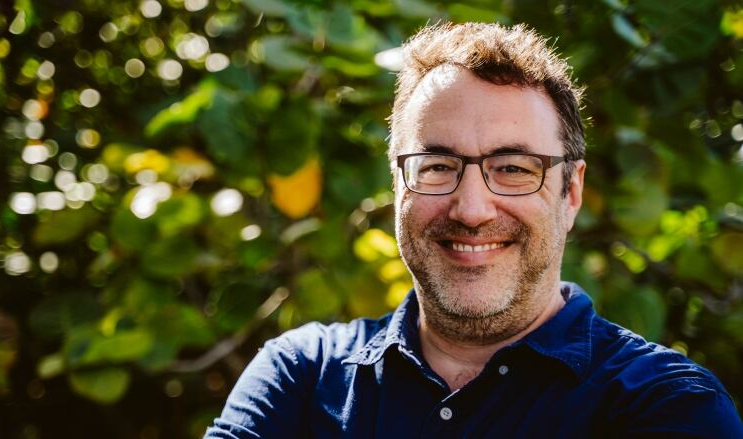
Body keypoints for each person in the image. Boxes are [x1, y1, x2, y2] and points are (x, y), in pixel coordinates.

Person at [205, 22, 743, 438]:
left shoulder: (665, 405)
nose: (471, 208)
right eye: (437, 165)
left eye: (513, 168)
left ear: (570, 191)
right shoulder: (300, 377)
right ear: (398, 184)